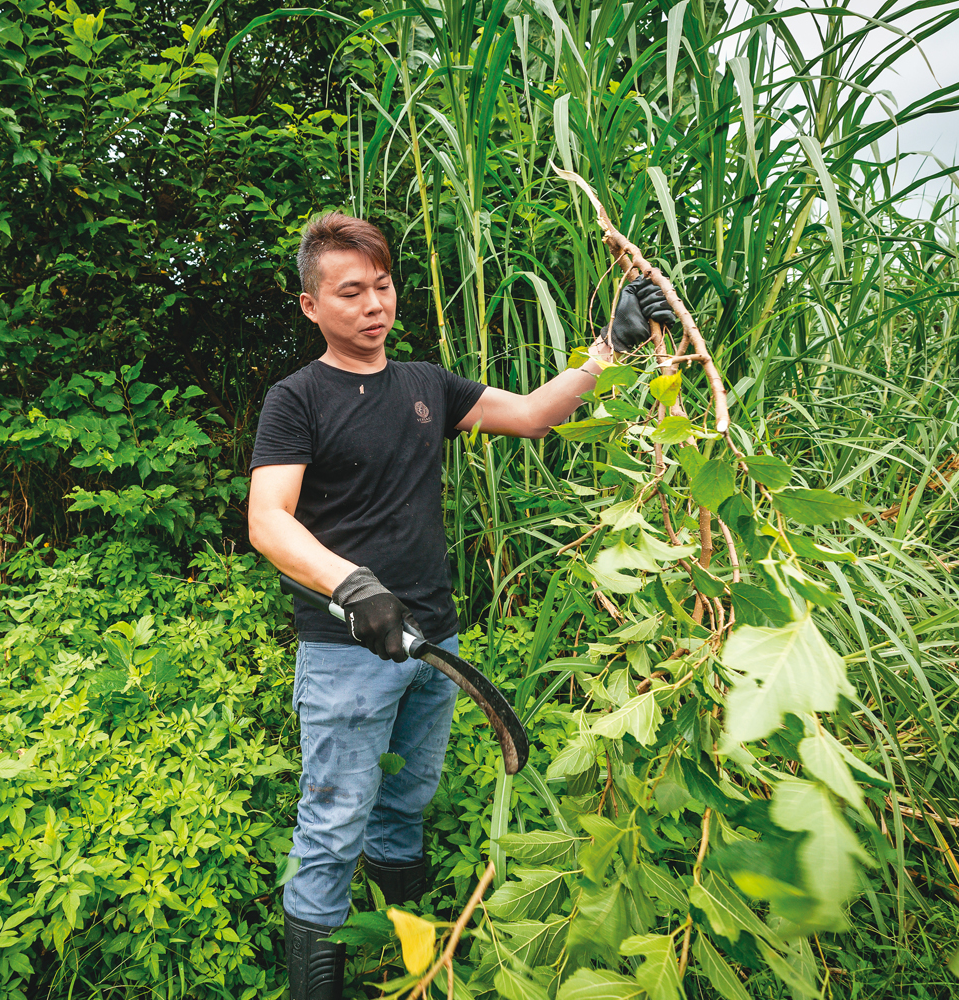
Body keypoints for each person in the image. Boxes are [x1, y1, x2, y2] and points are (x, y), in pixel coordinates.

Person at [247, 212, 674, 1000]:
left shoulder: (424, 384)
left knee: (406, 801)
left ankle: (412, 958)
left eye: (382, 286)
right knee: (333, 824)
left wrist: (609, 350)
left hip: (434, 647)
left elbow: (534, 413)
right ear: (312, 306)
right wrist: (350, 585)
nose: (373, 304)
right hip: (349, 651)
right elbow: (268, 519)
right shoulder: (296, 399)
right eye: (350, 291)